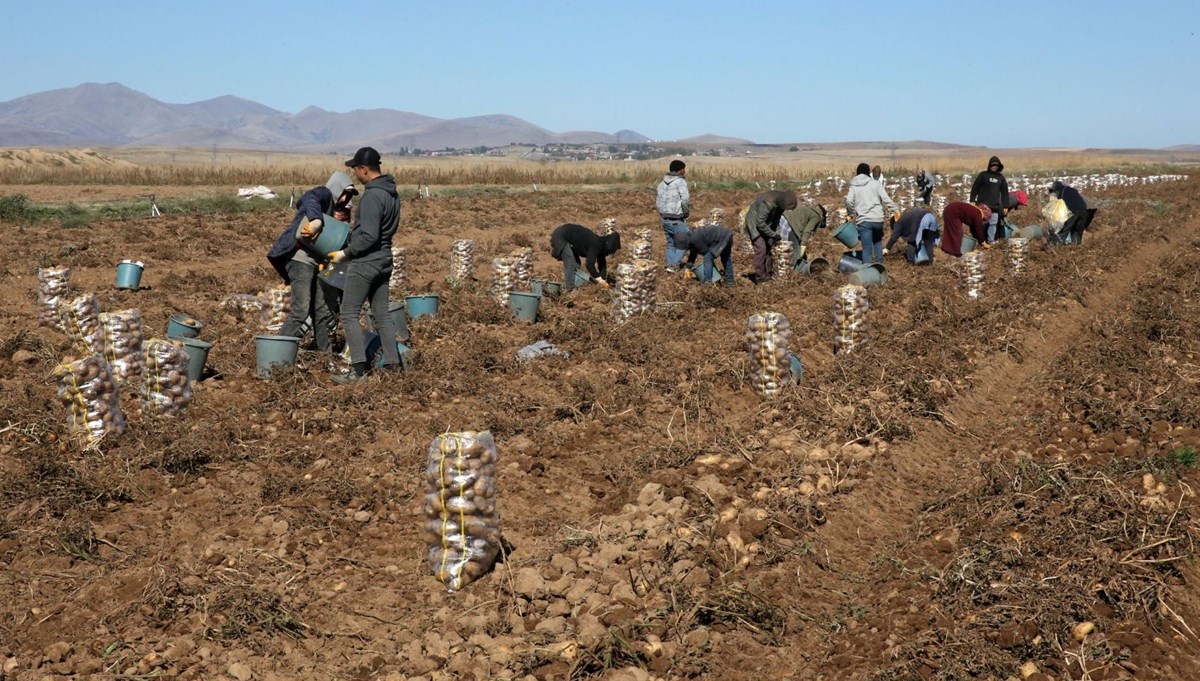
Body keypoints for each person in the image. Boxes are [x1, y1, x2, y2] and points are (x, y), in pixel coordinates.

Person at [328, 147, 402, 384]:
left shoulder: (372, 196)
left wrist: (345, 253)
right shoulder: (392, 194)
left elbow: (368, 236)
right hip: (384, 258)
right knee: (382, 315)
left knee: (349, 312)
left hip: (366, 261)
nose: (355, 175)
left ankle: (358, 371)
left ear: (364, 169)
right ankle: (393, 366)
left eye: (356, 170)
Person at [266, 172, 357, 352]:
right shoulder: (324, 194)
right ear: (337, 188)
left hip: (318, 263)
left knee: (322, 309)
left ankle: (324, 352)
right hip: (301, 260)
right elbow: (308, 198)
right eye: (346, 193)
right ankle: (277, 354)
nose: (347, 199)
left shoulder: (340, 212)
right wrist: (316, 219)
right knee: (301, 309)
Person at [845, 163, 897, 265]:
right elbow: (886, 199)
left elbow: (848, 201)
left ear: (858, 172)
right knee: (877, 243)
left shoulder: (854, 186)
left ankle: (868, 273)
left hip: (864, 221)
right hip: (878, 220)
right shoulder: (875, 183)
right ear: (868, 172)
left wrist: (850, 214)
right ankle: (879, 268)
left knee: (867, 248)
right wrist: (896, 210)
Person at [743, 189, 798, 283]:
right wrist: (773, 234)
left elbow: (777, 217)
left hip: (766, 223)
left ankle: (768, 274)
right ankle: (760, 279)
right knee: (761, 249)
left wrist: (776, 231)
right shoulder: (768, 201)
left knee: (770, 247)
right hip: (755, 224)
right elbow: (760, 223)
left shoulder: (782, 203)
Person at [550, 223, 621, 289]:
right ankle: (569, 290)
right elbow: (589, 265)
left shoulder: (601, 245)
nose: (609, 254)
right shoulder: (596, 245)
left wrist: (603, 279)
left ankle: (575, 285)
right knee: (570, 262)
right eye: (610, 251)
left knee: (576, 265)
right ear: (608, 247)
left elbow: (602, 264)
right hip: (561, 236)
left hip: (567, 238)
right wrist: (599, 280)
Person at [655, 160, 690, 272]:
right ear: (680, 170)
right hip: (676, 219)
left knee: (671, 244)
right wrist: (685, 213)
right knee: (684, 241)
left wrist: (662, 213)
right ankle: (674, 266)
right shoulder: (680, 182)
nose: (685, 171)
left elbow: (658, 202)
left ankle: (669, 265)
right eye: (684, 169)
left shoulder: (661, 183)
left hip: (665, 219)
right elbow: (685, 199)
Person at [969, 156, 1009, 245]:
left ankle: (990, 241)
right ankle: (980, 240)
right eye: (993, 165)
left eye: (996, 165)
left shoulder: (1001, 178)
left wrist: (1006, 206)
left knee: (993, 224)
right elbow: (975, 188)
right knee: (981, 224)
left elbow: (1005, 193)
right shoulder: (983, 175)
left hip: (995, 206)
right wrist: (972, 200)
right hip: (983, 205)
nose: (994, 167)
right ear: (989, 165)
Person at [779, 202, 828, 270]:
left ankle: (794, 268)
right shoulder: (816, 217)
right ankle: (794, 272)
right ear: (822, 218)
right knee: (796, 252)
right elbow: (807, 232)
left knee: (797, 251)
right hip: (788, 226)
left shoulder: (809, 210)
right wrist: (802, 247)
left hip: (780, 220)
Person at [1047, 180, 1091, 245]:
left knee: (1063, 231)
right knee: (1076, 231)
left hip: (1073, 211)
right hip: (1084, 211)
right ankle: (1075, 248)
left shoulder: (1058, 191)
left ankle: (1058, 246)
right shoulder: (1072, 190)